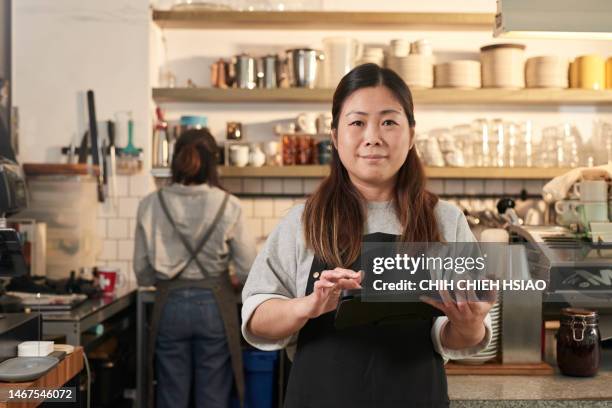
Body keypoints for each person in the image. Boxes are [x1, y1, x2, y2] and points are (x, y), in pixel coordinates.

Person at [241, 63, 494, 408]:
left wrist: (467, 323)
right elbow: (256, 319)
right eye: (357, 122)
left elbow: (467, 336)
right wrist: (308, 306)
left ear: (412, 135)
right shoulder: (303, 221)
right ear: (334, 136)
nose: (372, 136)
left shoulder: (445, 221)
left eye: (389, 121)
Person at [134, 128, 256, 408]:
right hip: (215, 306)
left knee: (171, 395)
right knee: (213, 396)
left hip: (169, 307)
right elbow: (248, 268)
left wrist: (167, 275)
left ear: (176, 159)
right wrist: (233, 277)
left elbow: (142, 271)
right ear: (213, 162)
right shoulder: (229, 205)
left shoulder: (150, 204)